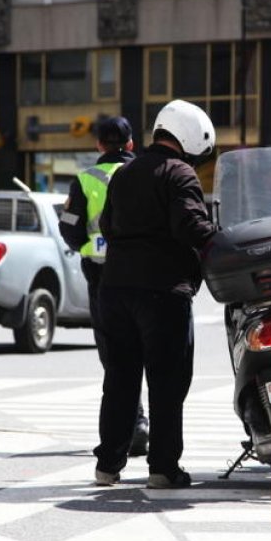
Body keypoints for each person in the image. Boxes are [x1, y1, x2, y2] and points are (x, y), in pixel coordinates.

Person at [93, 99, 217, 489]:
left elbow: (107, 226)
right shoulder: (179, 173)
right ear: (190, 138)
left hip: (114, 288)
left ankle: (108, 465)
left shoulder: (124, 174)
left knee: (120, 379)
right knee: (166, 382)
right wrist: (223, 242)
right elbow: (191, 227)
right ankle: (163, 468)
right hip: (162, 291)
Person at [58, 116, 149, 456]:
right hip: (145, 276)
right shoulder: (145, 174)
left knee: (115, 357)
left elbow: (70, 229)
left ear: (98, 145)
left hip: (103, 279)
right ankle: (144, 425)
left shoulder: (85, 180)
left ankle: (132, 423)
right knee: (148, 351)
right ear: (130, 144)